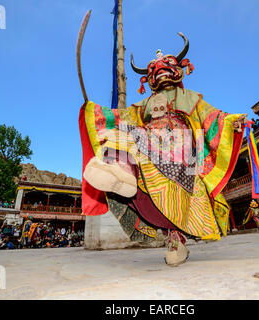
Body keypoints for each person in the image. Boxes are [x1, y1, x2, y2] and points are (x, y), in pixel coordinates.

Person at [80, 34, 250, 266]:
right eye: (154, 70)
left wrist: (231, 121)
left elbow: (212, 117)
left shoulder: (189, 97)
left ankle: (173, 236)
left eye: (166, 66)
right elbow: (121, 117)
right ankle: (121, 175)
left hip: (180, 146)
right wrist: (94, 111)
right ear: (149, 79)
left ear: (179, 69)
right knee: (121, 133)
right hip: (149, 141)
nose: (160, 71)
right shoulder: (144, 105)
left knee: (132, 138)